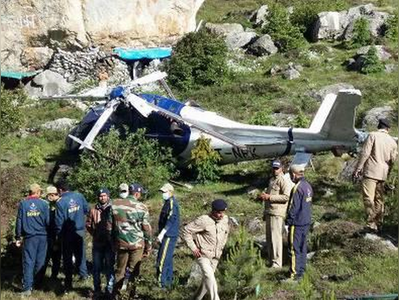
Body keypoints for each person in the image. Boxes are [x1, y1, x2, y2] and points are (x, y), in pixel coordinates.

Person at [353, 118, 398, 233]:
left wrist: (358, 168)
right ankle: (379, 223)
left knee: (368, 198)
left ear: (379, 126)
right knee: (379, 199)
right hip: (383, 173)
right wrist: (388, 172)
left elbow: (365, 153)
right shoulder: (392, 141)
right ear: (388, 128)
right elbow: (393, 160)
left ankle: (371, 224)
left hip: (371, 172)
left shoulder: (373, 135)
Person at [181, 199, 230, 300]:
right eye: (219, 212)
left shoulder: (225, 219)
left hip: (216, 257)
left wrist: (221, 248)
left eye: (223, 212)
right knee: (210, 276)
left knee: (206, 282)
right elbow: (186, 231)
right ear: (213, 211)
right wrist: (193, 248)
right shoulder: (203, 220)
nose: (221, 215)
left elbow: (225, 234)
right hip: (203, 255)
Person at [110, 183, 152, 298]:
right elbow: (146, 229)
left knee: (120, 270)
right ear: (137, 194)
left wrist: (113, 243)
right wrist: (149, 246)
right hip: (137, 245)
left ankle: (117, 295)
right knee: (134, 271)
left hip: (121, 243)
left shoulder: (114, 204)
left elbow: (109, 227)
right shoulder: (142, 207)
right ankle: (131, 295)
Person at [54, 180, 89, 292]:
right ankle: (84, 275)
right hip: (79, 230)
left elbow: (59, 221)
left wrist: (58, 236)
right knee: (81, 254)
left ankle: (68, 281)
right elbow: (86, 210)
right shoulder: (79, 196)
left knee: (68, 257)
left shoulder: (60, 202)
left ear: (60, 190)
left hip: (67, 233)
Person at [15, 183, 50, 296]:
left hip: (29, 237)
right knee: (40, 261)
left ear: (30, 192)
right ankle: (38, 284)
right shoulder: (44, 204)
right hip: (42, 237)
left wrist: (18, 236)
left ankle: (27, 288)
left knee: (29, 262)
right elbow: (48, 221)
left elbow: (19, 221)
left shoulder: (23, 204)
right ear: (38, 192)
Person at [259, 160, 293, 268]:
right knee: (269, 238)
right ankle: (271, 260)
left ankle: (277, 262)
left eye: (277, 168)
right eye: (273, 168)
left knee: (276, 238)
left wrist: (270, 197)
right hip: (270, 212)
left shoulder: (283, 180)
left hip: (277, 213)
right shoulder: (272, 180)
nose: (275, 170)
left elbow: (286, 197)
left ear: (282, 168)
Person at [285, 165, 313, 282]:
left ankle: (294, 275)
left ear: (294, 174)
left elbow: (293, 207)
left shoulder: (297, 188)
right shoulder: (308, 186)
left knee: (294, 248)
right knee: (302, 247)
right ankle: (301, 271)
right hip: (306, 222)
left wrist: (288, 221)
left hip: (297, 223)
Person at [86, 188, 115, 298]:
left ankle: (109, 290)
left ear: (108, 196)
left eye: (104, 195)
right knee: (96, 268)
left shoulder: (112, 208)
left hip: (109, 243)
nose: (102, 198)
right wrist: (95, 234)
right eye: (100, 196)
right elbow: (88, 224)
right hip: (97, 243)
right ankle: (97, 289)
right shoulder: (93, 209)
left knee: (109, 267)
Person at [156, 183, 180, 288]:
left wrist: (162, 233)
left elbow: (171, 219)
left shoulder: (172, 203)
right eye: (162, 192)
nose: (163, 194)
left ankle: (161, 284)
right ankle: (168, 283)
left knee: (162, 259)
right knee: (168, 259)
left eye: (164, 192)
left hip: (169, 235)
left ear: (170, 192)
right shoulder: (167, 202)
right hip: (168, 234)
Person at [39, 186, 62, 281]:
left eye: (48, 196)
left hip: (54, 236)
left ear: (52, 195)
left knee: (55, 258)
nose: (46, 198)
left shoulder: (59, 205)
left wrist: (56, 240)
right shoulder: (46, 205)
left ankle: (53, 277)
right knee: (45, 258)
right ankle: (41, 278)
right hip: (47, 236)